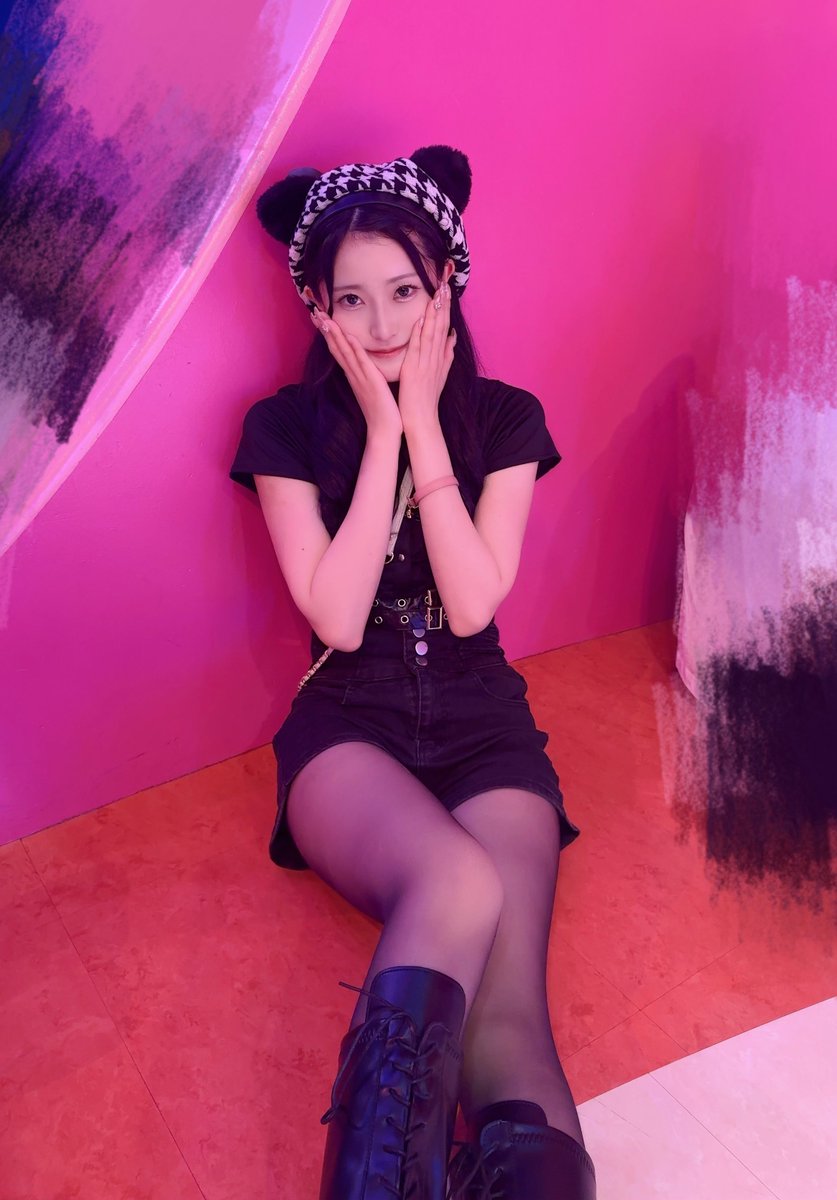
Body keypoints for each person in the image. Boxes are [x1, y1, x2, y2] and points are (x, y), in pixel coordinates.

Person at [229, 144, 597, 1200]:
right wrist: (384, 428)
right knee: (456, 883)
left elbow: (474, 605)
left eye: (405, 290)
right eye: (352, 299)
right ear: (317, 308)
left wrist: (427, 422)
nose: (383, 324)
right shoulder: (281, 428)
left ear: (448, 284)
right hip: (351, 723)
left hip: (486, 723)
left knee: (510, 1017)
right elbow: (338, 619)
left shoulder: (508, 419)